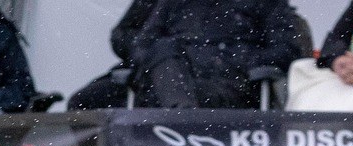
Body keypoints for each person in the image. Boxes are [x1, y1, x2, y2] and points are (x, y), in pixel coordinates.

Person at [121, 0, 303, 109]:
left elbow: (288, 49)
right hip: (173, 81)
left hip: (230, 86)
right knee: (162, 48)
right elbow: (142, 43)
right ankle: (184, 116)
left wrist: (240, 59)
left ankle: (181, 121)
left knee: (171, 97)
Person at [67, 0, 157, 111]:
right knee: (81, 103)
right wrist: (142, 48)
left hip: (168, 82)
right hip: (139, 74)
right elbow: (120, 35)